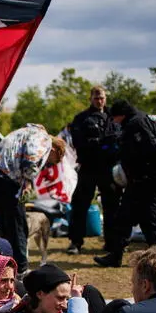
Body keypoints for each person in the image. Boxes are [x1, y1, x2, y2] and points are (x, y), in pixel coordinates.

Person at [95, 100, 156, 267]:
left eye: (115, 118)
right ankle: (115, 255)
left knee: (151, 219)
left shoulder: (136, 123)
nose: (114, 122)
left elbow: (153, 148)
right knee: (125, 218)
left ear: (121, 115)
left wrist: (150, 171)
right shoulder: (141, 119)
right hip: (139, 179)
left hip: (145, 179)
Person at [0, 124, 66, 275]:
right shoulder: (43, 139)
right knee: (18, 225)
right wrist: (28, 179)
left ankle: (6, 263)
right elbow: (30, 156)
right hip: (8, 176)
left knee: (6, 224)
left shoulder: (24, 132)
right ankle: (21, 268)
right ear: (55, 150)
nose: (47, 165)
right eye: (51, 161)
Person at [67, 86, 121, 255]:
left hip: (109, 169)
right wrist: (101, 144)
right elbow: (78, 143)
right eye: (97, 98)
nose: (100, 101)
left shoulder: (114, 117)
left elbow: (120, 139)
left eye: (102, 98)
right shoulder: (82, 119)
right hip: (89, 167)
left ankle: (111, 242)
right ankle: (76, 242)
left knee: (112, 206)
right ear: (90, 99)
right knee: (80, 204)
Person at [0, 264, 90, 313]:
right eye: (60, 298)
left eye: (67, 298)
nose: (65, 305)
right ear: (40, 294)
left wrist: (77, 298)